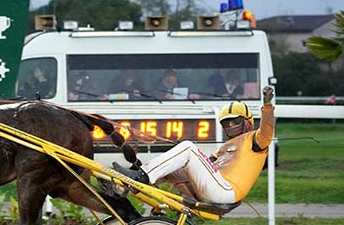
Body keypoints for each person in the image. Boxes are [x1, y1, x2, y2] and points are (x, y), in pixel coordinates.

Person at [115, 86, 275, 204]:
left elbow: (267, 130)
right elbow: (204, 164)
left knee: (188, 147)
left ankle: (141, 177)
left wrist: (267, 106)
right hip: (212, 187)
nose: (231, 126)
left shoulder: (256, 140)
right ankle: (124, 187)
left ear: (247, 122)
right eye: (226, 123)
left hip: (227, 192)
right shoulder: (224, 147)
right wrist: (179, 157)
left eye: (236, 121)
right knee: (174, 168)